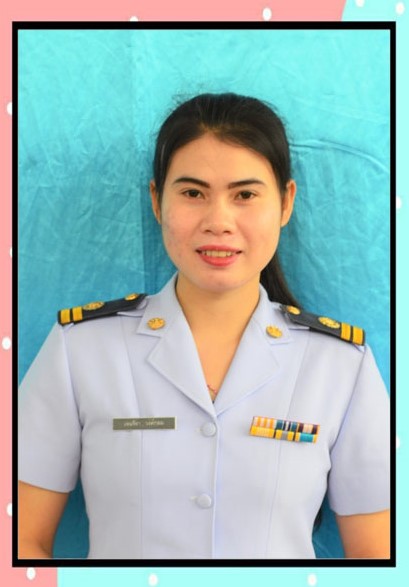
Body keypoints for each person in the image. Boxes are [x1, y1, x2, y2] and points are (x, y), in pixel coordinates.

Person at [18, 92, 390, 560]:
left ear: (285, 203)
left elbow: (378, 558)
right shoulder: (80, 351)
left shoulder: (339, 366)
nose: (219, 222)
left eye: (245, 195)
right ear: (157, 200)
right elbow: (20, 541)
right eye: (193, 193)